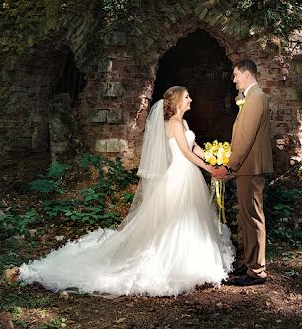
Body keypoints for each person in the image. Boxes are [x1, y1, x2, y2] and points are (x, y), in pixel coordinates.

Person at [18, 86, 235, 296]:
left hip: (189, 175)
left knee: (191, 217)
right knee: (175, 219)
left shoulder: (184, 122)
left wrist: (213, 156)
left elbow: (194, 146)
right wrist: (209, 169)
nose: (190, 100)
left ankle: (194, 258)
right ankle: (174, 262)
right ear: (178, 101)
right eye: (187, 97)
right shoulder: (174, 123)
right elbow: (186, 153)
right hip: (179, 175)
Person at [223, 59, 273, 286]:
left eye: (236, 76)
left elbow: (245, 137)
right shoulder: (250, 98)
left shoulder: (255, 98)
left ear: (246, 74)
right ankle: (251, 261)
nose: (234, 81)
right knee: (246, 216)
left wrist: (229, 164)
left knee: (252, 217)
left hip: (251, 167)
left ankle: (257, 271)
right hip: (248, 167)